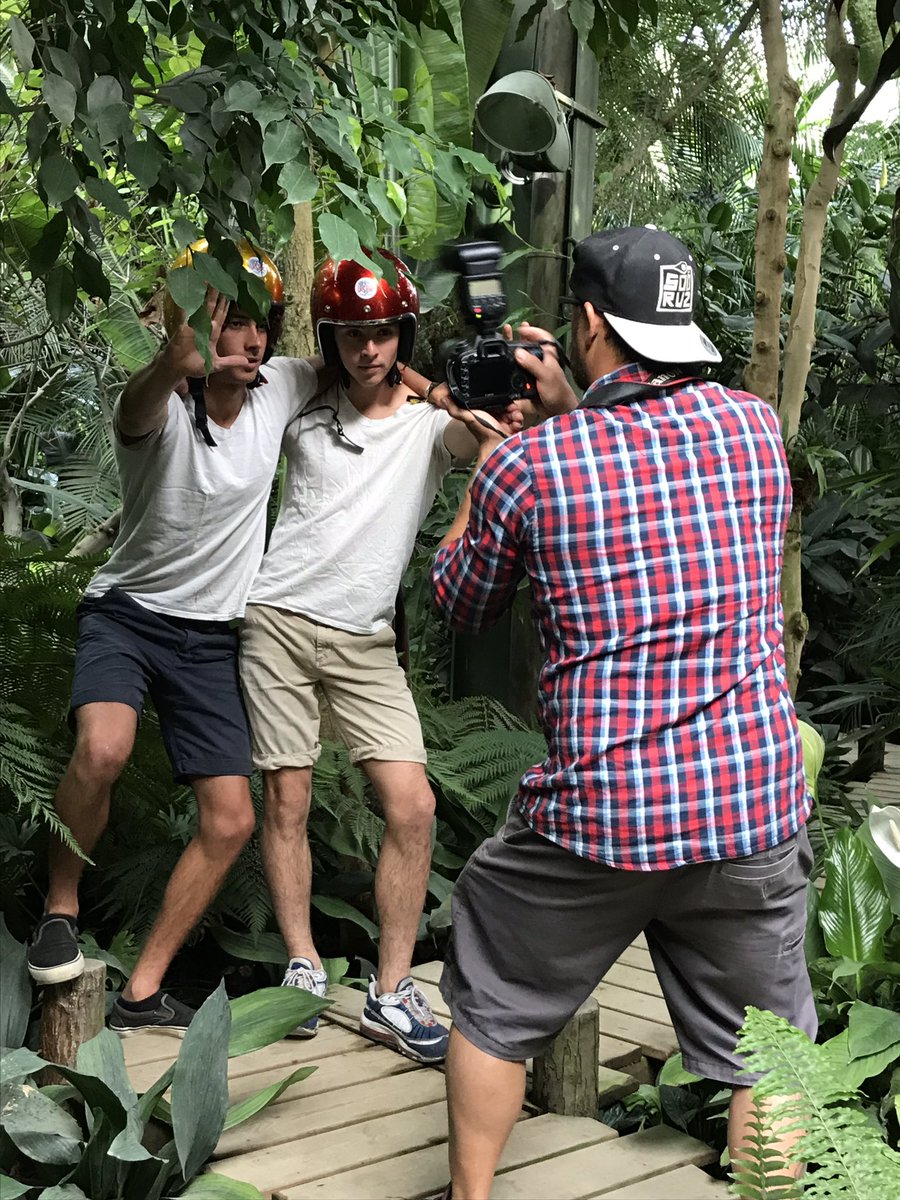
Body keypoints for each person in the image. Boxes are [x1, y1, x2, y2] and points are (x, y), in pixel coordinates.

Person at [426, 225, 814, 1198]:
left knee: (492, 994)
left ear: (589, 323)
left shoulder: (530, 466)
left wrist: (489, 468)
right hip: (748, 806)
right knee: (768, 1055)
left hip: (601, 816)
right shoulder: (755, 429)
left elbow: (461, 602)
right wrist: (572, 410)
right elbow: (653, 476)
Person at [26, 240, 319, 1035]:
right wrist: (170, 360)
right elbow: (137, 405)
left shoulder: (280, 390)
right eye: (230, 321)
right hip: (127, 615)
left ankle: (142, 992)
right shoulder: (157, 412)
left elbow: (369, 367)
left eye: (263, 323)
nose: (250, 340)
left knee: (230, 820)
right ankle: (60, 908)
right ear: (194, 322)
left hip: (212, 638)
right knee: (104, 750)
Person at [240, 250, 520, 1061]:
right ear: (329, 338)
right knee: (286, 800)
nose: (368, 349)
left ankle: (392, 991)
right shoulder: (299, 397)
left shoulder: (433, 426)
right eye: (351, 334)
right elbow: (232, 376)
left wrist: (448, 389)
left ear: (403, 333)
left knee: (414, 806)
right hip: (279, 617)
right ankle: (302, 966)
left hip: (367, 640)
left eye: (383, 332)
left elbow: (490, 436)